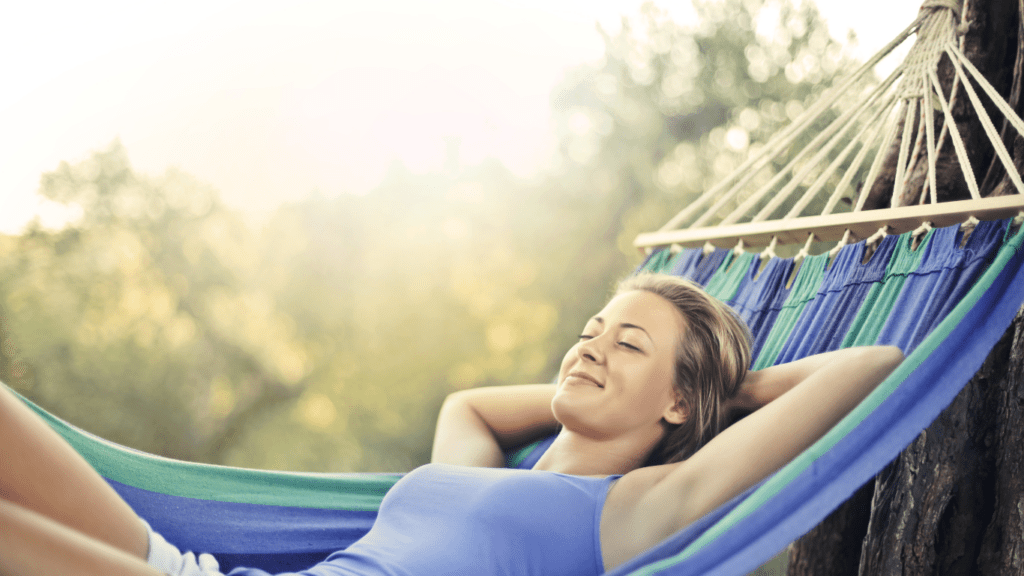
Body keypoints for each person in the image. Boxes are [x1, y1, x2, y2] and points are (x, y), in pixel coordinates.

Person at [0, 273, 904, 576]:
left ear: (680, 401)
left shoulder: (637, 510)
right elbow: (465, 405)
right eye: (588, 332)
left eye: (627, 345)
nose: (588, 348)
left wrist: (725, 391)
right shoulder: (488, 470)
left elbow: (874, 365)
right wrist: (627, 366)